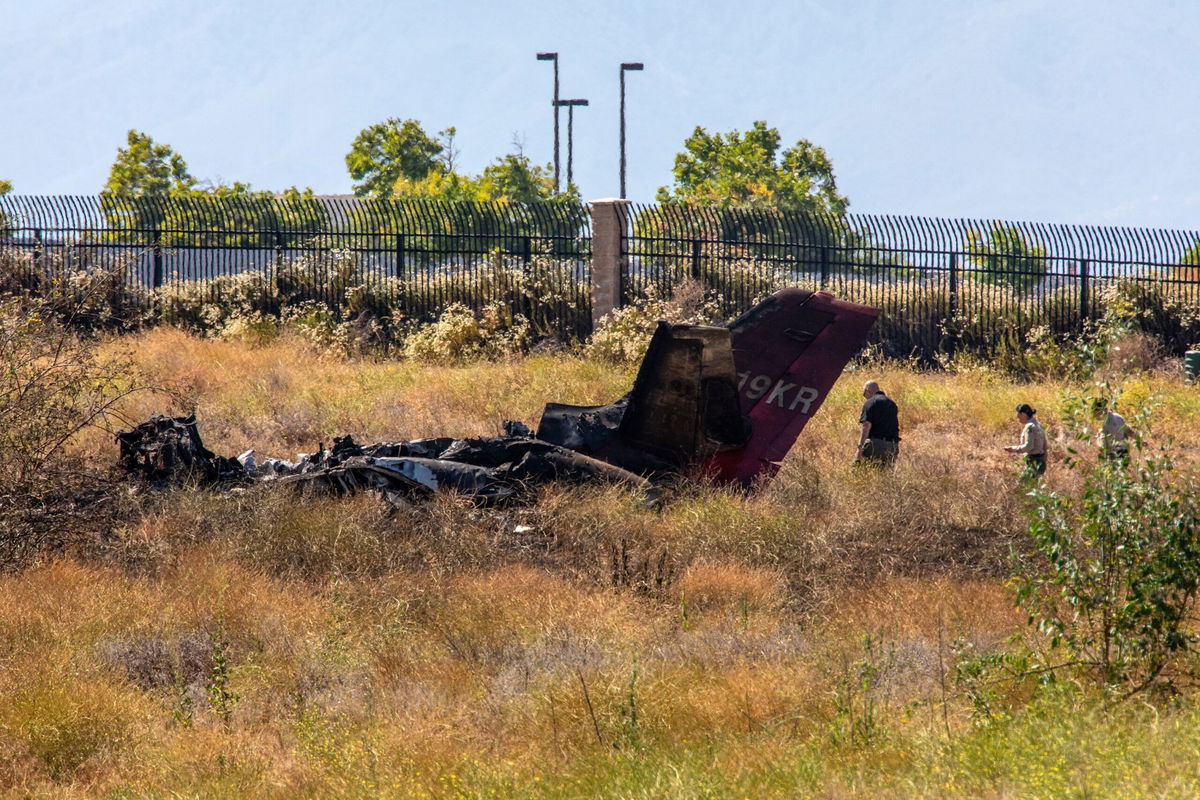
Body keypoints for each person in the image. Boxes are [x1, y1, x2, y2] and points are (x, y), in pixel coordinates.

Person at [855, 380, 900, 466]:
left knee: (860, 470)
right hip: (892, 446)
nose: (864, 396)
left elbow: (866, 426)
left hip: (875, 445)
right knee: (885, 475)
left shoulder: (870, 402)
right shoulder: (892, 403)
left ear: (868, 390)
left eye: (864, 393)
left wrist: (860, 448)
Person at [1004, 403, 1047, 476]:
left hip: (1033, 461)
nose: (1017, 417)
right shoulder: (1038, 424)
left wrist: (1013, 449)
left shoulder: (1029, 427)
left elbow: (1029, 446)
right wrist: (1044, 461)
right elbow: (1045, 446)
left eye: (1018, 415)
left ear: (1023, 414)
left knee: (1024, 484)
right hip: (1040, 461)